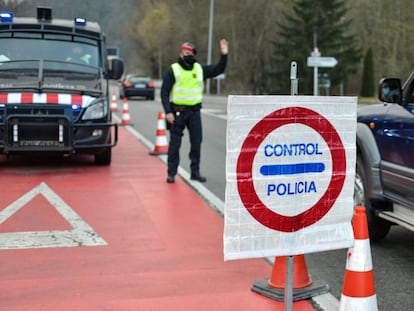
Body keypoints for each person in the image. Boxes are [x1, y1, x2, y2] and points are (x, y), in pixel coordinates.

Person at [161, 39, 228, 183]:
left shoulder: (199, 69)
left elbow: (218, 69)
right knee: (174, 145)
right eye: (186, 53)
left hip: (194, 113)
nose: (189, 55)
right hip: (177, 112)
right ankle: (171, 173)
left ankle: (195, 172)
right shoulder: (173, 70)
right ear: (181, 53)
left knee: (196, 143)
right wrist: (168, 112)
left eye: (191, 53)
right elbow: (164, 92)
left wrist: (224, 55)